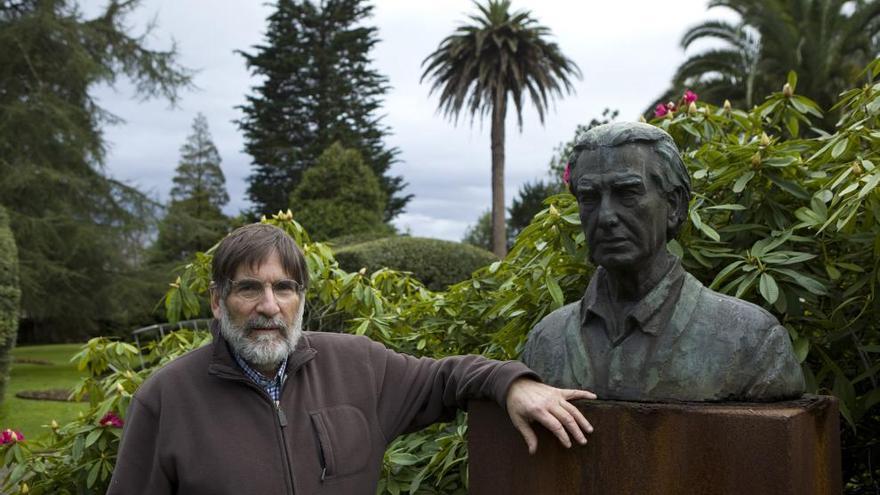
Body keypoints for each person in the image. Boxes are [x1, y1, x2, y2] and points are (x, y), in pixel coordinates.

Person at [108, 223, 596, 494]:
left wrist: (513, 383)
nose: (269, 306)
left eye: (284, 288)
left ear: (301, 297)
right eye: (249, 289)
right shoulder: (167, 399)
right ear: (218, 301)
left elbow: (445, 377)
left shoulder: (358, 366)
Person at [522, 122, 805, 402]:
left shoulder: (751, 342)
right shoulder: (546, 342)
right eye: (590, 197)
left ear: (674, 205)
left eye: (627, 193)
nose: (606, 216)